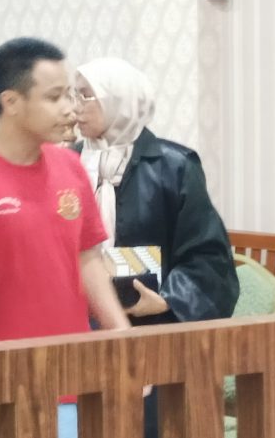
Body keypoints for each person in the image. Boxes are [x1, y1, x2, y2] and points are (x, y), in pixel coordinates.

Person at [0, 38, 130, 438]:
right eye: (54, 97)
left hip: (75, 381)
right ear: (12, 102)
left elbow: (88, 260)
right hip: (3, 388)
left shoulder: (70, 166)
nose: (70, 109)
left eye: (69, 95)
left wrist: (124, 339)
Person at [73, 57, 239, 438]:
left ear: (119, 100)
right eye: (72, 95)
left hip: (153, 333)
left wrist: (166, 300)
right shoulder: (66, 163)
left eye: (85, 96)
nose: (74, 107)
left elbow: (209, 259)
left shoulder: (173, 166)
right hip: (77, 327)